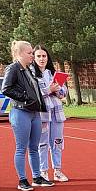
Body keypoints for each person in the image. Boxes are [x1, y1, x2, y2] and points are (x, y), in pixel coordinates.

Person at [1, 41, 54, 191]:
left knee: (34, 147)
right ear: (19, 54)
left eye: (32, 52)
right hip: (20, 112)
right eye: (29, 53)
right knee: (21, 148)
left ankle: (37, 177)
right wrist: (24, 98)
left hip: (34, 112)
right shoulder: (13, 68)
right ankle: (22, 180)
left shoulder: (28, 70)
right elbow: (6, 88)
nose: (32, 55)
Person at [33, 45, 68, 182]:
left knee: (57, 141)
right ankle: (43, 171)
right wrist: (48, 90)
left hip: (57, 113)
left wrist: (58, 90)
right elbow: (33, 95)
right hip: (42, 114)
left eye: (44, 56)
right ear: (34, 58)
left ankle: (57, 170)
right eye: (39, 56)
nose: (42, 59)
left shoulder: (53, 73)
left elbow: (63, 93)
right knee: (42, 143)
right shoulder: (31, 74)